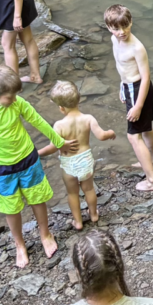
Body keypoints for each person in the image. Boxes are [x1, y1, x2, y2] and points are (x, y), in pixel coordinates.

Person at [0, 66, 68, 268]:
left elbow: (37, 120)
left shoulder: (17, 103)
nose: (14, 100)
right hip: (3, 170)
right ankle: (19, 244)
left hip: (28, 160)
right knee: (11, 208)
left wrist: (58, 141)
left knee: (37, 198)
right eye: (9, 98)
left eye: (15, 96)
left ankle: (45, 233)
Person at [43, 80, 116, 231]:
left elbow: (52, 147)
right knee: (89, 189)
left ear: (61, 108)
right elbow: (101, 136)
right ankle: (94, 214)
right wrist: (111, 133)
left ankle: (78, 222)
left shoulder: (58, 125)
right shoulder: (88, 118)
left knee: (72, 193)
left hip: (69, 163)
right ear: (79, 99)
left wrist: (36, 153)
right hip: (85, 161)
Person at [105, 5, 153, 192]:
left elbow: (146, 78)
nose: (122, 32)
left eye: (125, 26)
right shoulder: (114, 39)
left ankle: (152, 180)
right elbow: (120, 65)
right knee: (145, 129)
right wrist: (121, 86)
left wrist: (137, 105)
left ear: (131, 22)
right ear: (109, 28)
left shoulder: (137, 47)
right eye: (116, 28)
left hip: (139, 89)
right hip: (128, 87)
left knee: (133, 135)